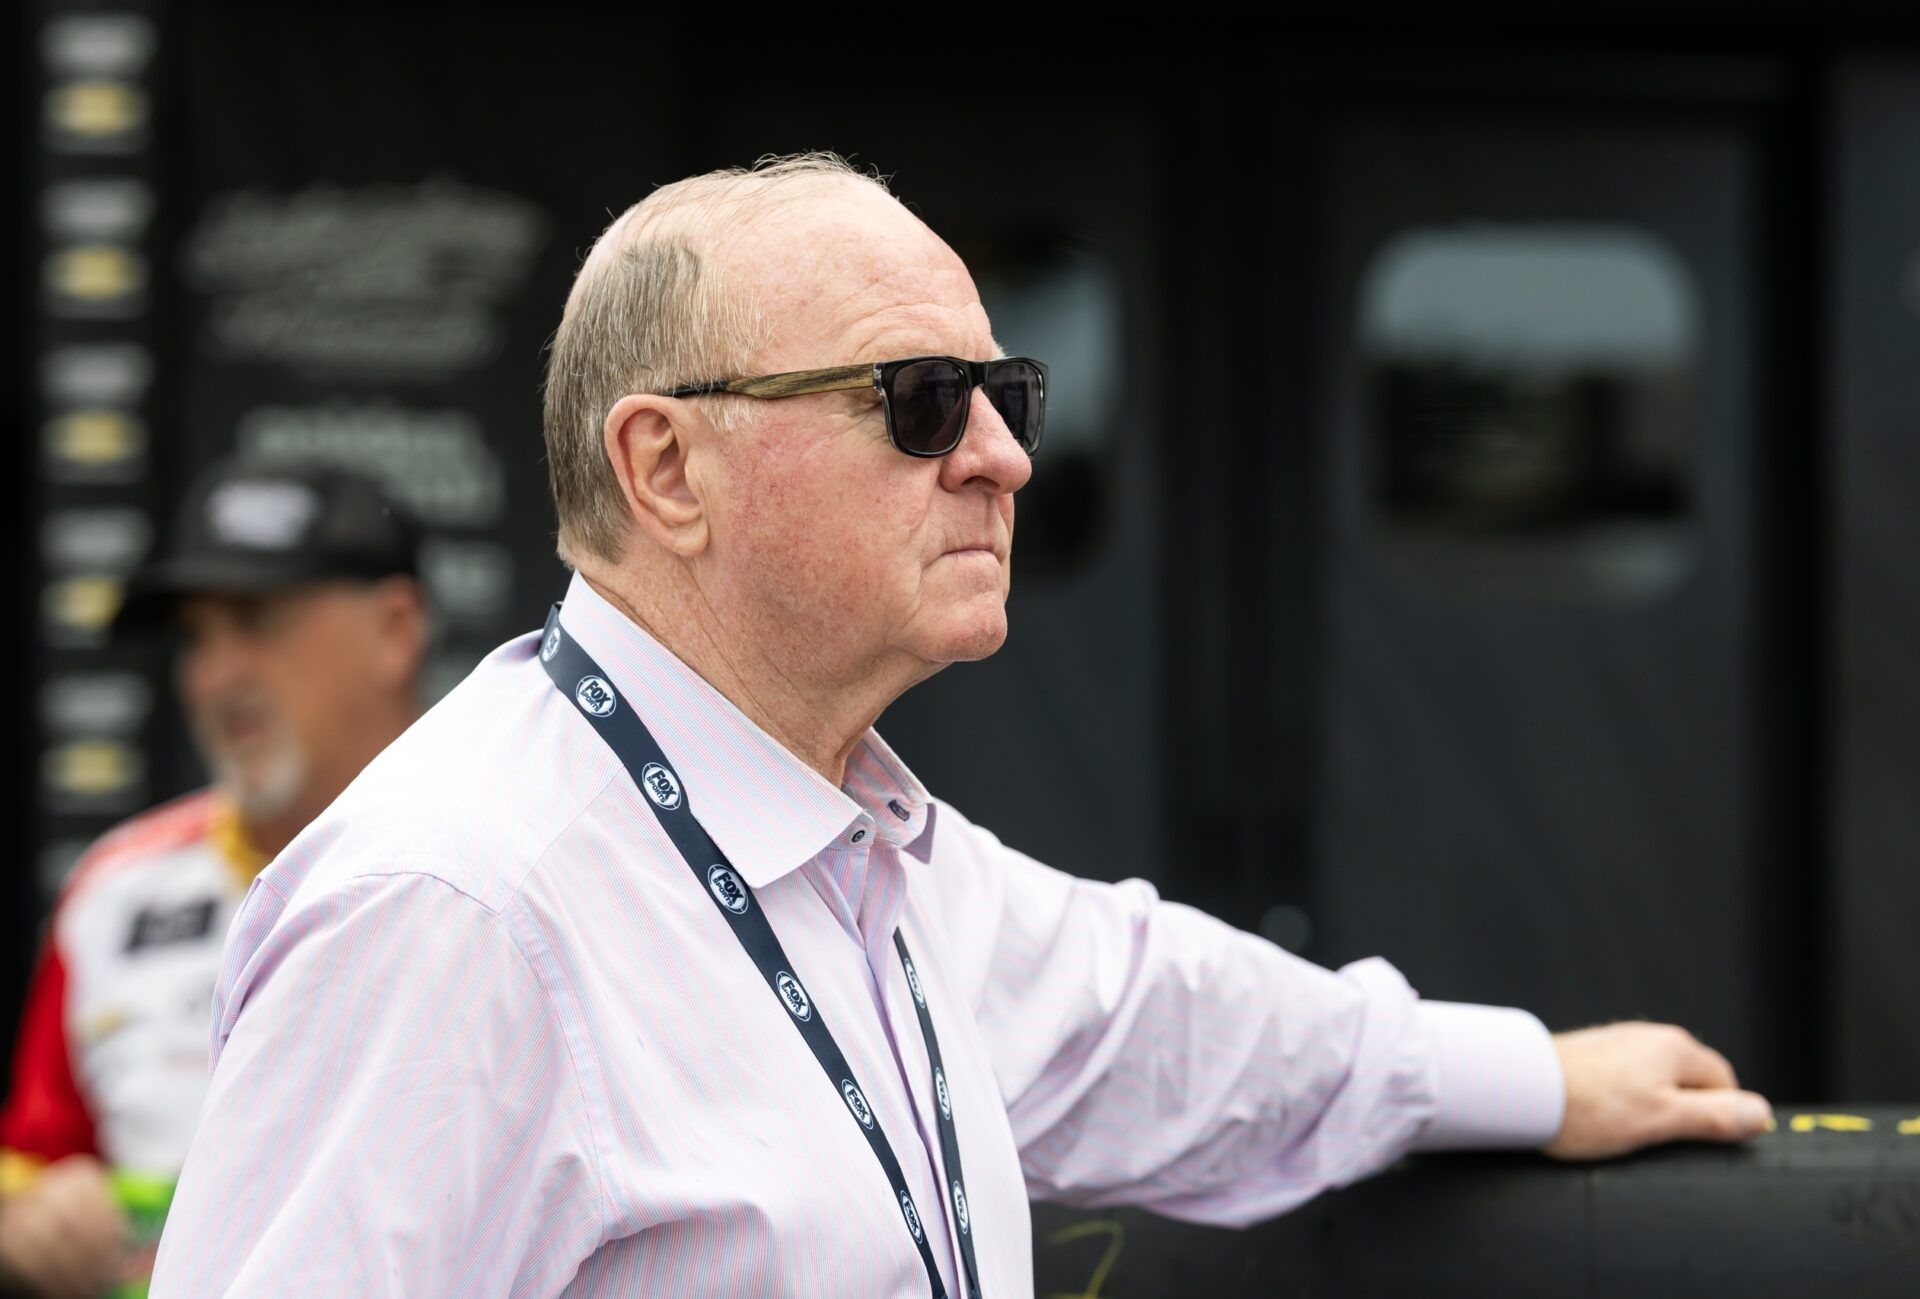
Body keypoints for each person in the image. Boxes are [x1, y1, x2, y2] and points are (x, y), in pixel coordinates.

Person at [149, 156, 1773, 1299]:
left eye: (1011, 396)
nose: (1000, 454)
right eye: (920, 399)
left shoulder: (851, 838)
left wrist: (1532, 1075)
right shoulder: (454, 904)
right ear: (665, 469)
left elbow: (1167, 1018)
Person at [0, 460, 428, 1299]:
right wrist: (29, 1225)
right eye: (197, 637)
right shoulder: (116, 888)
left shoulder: (525, 859)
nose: (215, 673)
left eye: (256, 620)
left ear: (395, 629)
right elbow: (28, 1168)